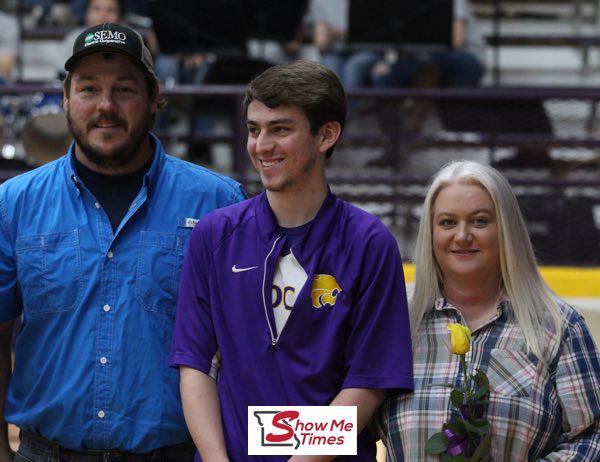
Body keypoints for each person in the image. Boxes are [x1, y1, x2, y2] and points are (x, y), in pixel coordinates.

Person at [0, 22, 245, 462]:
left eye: (125, 90)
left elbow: (243, 347)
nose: (105, 106)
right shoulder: (13, 203)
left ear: (155, 99)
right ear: (65, 99)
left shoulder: (218, 202)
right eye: (89, 88)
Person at [169, 60, 414, 461]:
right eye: (253, 129)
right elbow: (194, 363)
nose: (261, 145)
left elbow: (369, 382)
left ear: (326, 135)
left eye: (280, 129)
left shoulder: (369, 242)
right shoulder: (214, 235)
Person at [376, 160, 600, 460]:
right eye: (447, 222)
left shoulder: (559, 327)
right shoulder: (395, 320)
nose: (462, 235)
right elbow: (345, 424)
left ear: (506, 229)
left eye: (480, 221)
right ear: (430, 233)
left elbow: (592, 438)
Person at [57, 0, 125, 78]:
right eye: (97, 9)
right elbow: (62, 73)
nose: (103, 15)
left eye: (110, 10)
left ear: (120, 16)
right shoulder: (74, 38)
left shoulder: (127, 38)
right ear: (86, 14)